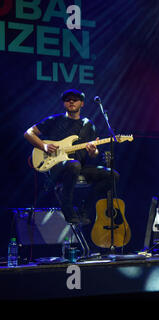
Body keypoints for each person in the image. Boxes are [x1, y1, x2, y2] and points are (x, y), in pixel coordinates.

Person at [24, 89, 119, 225]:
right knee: (73, 164)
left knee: (113, 175)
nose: (71, 101)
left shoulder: (88, 125)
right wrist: (44, 146)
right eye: (68, 99)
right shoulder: (55, 120)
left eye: (75, 99)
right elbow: (29, 133)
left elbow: (93, 154)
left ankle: (85, 209)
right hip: (56, 167)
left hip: (79, 167)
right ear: (64, 104)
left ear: (82, 104)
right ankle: (67, 208)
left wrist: (93, 151)